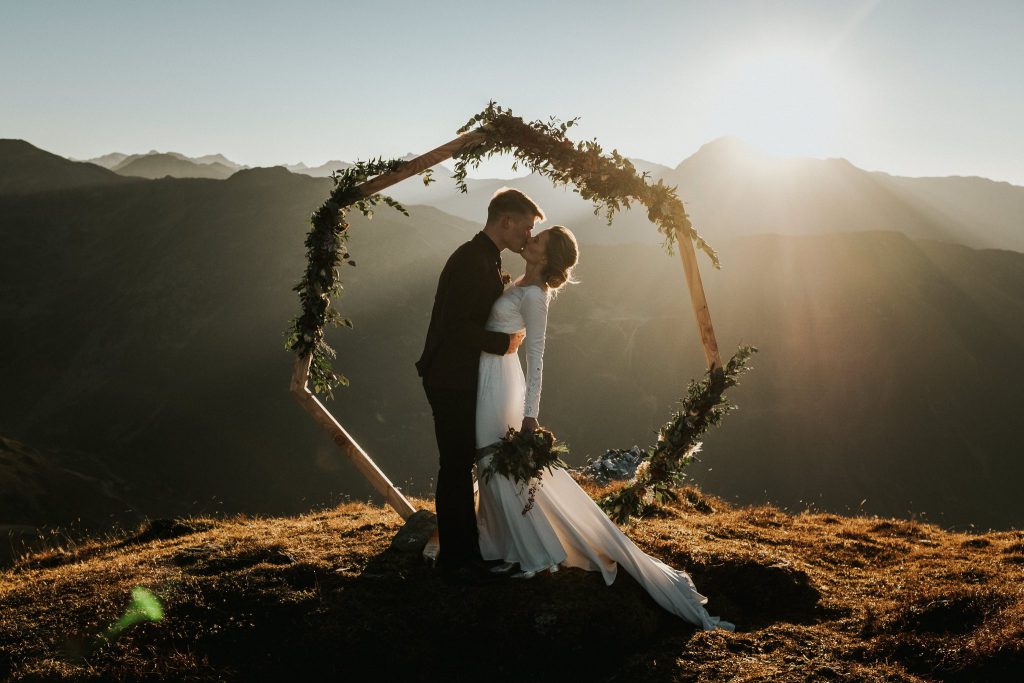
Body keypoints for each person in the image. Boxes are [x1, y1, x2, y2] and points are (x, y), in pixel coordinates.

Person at [474, 225, 735, 631]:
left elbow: (538, 358)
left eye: (538, 239)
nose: (531, 239)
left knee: (493, 458)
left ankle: (524, 553)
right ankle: (506, 544)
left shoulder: (535, 297)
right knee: (494, 461)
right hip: (490, 375)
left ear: (547, 256)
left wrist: (530, 415)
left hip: (503, 382)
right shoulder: (519, 283)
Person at [416, 187, 543, 583]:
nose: (528, 235)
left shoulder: (484, 258)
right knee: (455, 465)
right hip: (451, 379)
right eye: (525, 227)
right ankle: (459, 559)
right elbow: (455, 326)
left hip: (462, 377)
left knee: (462, 462)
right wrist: (502, 343)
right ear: (506, 221)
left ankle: (468, 550)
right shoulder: (472, 261)